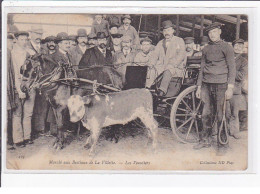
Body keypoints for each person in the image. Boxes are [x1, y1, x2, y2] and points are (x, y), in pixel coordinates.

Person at [194, 22, 236, 152]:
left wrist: (230, 87)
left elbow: (232, 68)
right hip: (206, 84)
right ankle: (205, 140)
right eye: (210, 33)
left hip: (222, 85)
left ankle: (223, 145)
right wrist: (199, 87)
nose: (212, 35)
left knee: (221, 115)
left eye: (214, 32)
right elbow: (201, 69)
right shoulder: (206, 49)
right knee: (206, 114)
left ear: (219, 32)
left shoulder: (227, 47)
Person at [150, 20, 186, 96]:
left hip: (176, 68)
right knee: (151, 70)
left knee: (168, 70)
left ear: (173, 31)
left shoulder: (179, 41)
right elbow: (154, 55)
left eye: (169, 30)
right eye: (165, 30)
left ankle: (162, 91)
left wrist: (173, 64)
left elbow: (181, 55)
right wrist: (151, 64)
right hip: (163, 67)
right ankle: (149, 89)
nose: (167, 33)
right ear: (163, 32)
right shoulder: (160, 43)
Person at [11, 31, 35, 147]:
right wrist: (19, 90)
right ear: (16, 40)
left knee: (28, 113)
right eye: (22, 39)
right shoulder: (12, 54)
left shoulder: (30, 53)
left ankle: (27, 137)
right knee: (17, 114)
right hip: (18, 86)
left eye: (26, 40)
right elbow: (15, 74)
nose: (24, 42)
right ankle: (18, 139)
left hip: (30, 86)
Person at [226, 39, 248, 139]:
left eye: (240, 46)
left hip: (235, 89)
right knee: (224, 111)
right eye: (236, 45)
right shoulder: (227, 57)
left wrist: (231, 68)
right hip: (224, 87)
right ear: (232, 46)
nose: (238, 48)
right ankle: (223, 130)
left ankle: (234, 131)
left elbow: (240, 76)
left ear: (243, 48)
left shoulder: (244, 61)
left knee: (234, 112)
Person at [7, 34, 16, 150]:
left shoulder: (9, 52)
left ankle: (9, 140)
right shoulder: (7, 52)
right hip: (6, 87)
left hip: (9, 87)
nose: (12, 44)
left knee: (9, 114)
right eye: (10, 42)